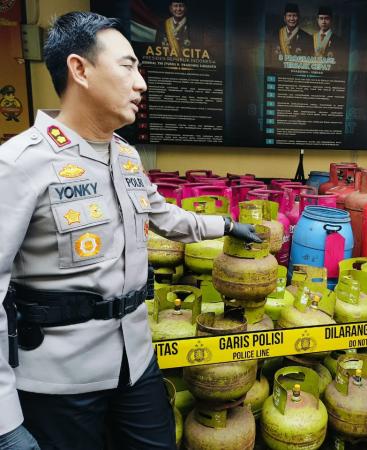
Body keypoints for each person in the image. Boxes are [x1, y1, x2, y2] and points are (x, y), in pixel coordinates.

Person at [0, 11, 260, 450]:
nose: (142, 84)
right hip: (61, 382)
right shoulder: (21, 163)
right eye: (128, 66)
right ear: (80, 69)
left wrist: (228, 224)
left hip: (135, 363)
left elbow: (163, 216)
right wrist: (5, 422)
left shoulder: (125, 155)